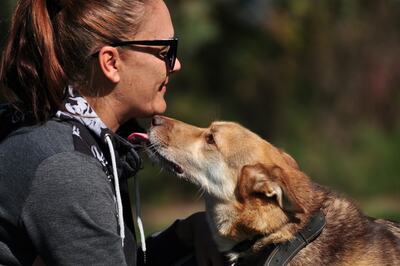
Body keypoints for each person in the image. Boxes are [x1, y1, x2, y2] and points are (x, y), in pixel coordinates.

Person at [0, 0, 227, 265]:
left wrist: (184, 235)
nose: (175, 64)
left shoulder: (71, 135)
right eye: (165, 50)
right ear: (111, 63)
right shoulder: (67, 168)